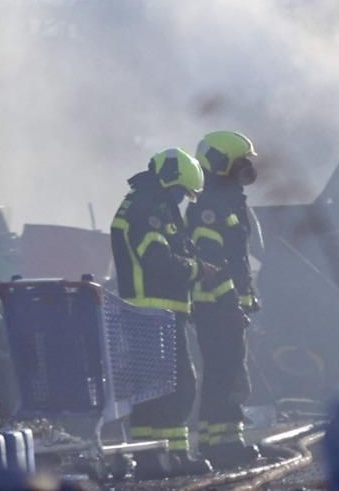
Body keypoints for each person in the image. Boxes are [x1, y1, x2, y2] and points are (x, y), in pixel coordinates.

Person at [110, 148, 216, 479]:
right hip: (153, 312)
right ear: (169, 182)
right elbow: (157, 260)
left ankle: (164, 457)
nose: (182, 200)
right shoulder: (147, 210)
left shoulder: (146, 205)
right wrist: (197, 269)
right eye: (181, 192)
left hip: (156, 313)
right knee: (175, 385)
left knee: (157, 388)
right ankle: (161, 457)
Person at [187, 131, 264, 468]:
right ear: (220, 164)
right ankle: (221, 447)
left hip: (228, 305)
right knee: (224, 374)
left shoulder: (230, 203)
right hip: (215, 306)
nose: (246, 169)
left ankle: (223, 441)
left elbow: (238, 260)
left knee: (230, 372)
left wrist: (248, 297)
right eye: (239, 162)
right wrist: (232, 301)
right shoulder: (209, 207)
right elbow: (212, 262)